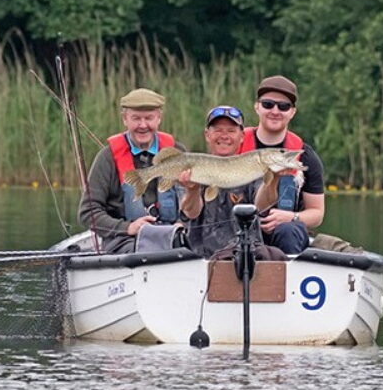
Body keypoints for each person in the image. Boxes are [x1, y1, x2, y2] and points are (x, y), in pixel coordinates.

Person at [78, 88, 184, 253]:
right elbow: (88, 212)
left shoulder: (177, 152)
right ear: (125, 119)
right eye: (136, 118)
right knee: (142, 250)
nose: (143, 125)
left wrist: (183, 222)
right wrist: (127, 227)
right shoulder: (107, 158)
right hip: (126, 240)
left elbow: (193, 202)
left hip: (173, 235)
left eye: (149, 118)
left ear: (159, 118)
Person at [244, 75, 325, 254]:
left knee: (289, 229)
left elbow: (317, 213)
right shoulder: (236, 144)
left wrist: (291, 216)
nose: (275, 111)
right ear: (257, 107)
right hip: (240, 231)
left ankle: (287, 276)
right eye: (267, 104)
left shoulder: (306, 156)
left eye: (283, 106)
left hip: (283, 233)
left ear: (292, 112)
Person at [178, 106, 259, 258]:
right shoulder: (190, 169)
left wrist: (273, 180)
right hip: (200, 258)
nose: (224, 136)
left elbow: (263, 205)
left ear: (242, 136)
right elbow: (190, 213)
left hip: (246, 255)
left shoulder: (253, 169)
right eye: (218, 130)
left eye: (230, 131)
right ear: (207, 135)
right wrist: (192, 190)